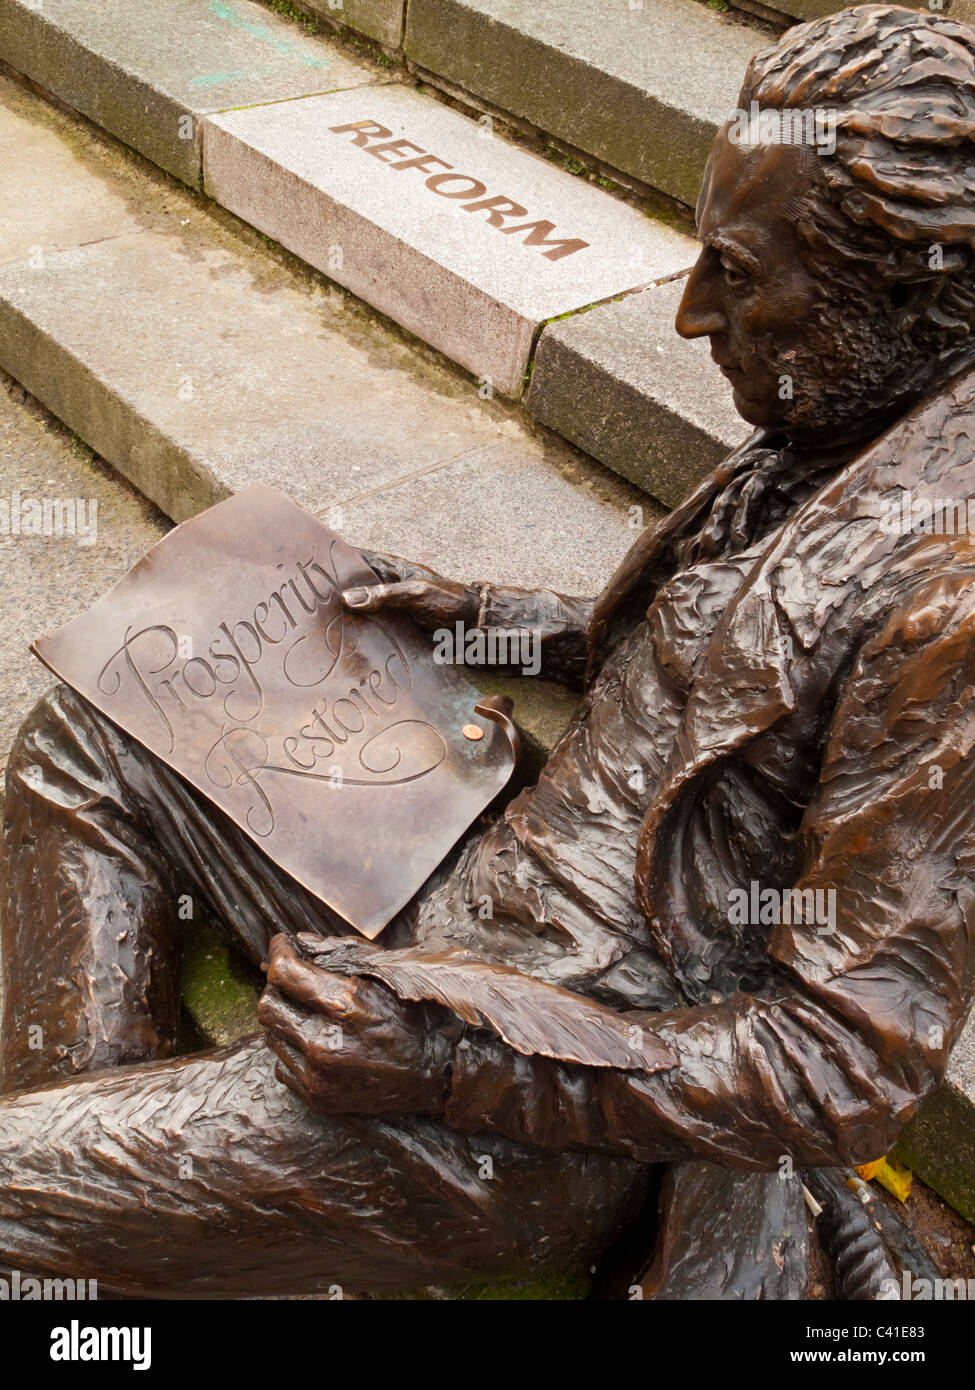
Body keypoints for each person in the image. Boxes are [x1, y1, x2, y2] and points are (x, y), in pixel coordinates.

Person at [3, 5, 975, 1299]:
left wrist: (461, 1060)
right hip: (490, 867)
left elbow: (845, 1061)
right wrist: (502, 618)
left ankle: (82, 1218)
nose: (690, 313)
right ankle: (107, 1226)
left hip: (546, 1091)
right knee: (96, 723)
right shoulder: (853, 412)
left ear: (903, 300)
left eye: (738, 274)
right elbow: (720, 665)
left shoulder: (946, 596)